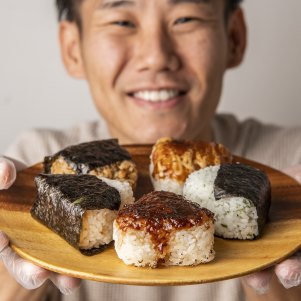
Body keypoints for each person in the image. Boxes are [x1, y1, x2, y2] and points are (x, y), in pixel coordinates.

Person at [0, 0, 301, 300]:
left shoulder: (292, 161)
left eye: (185, 18)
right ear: (72, 48)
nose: (156, 57)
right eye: (122, 22)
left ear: (234, 37)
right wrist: (16, 255)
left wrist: (276, 260)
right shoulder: (31, 164)